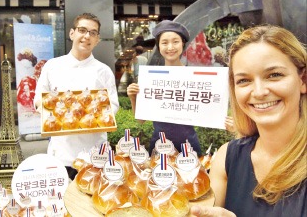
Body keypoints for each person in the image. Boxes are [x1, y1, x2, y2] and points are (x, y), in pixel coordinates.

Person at [191, 25, 306, 217]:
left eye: (274, 75)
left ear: (303, 80)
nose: (259, 92)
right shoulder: (227, 157)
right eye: (244, 80)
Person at [34, 13, 119, 180]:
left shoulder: (104, 71)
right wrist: (45, 111)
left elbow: (113, 105)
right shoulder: (52, 66)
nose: (87, 36)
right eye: (82, 30)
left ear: (97, 39)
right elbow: (39, 99)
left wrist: (96, 116)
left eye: (93, 33)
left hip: (95, 154)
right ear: (72, 33)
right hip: (61, 153)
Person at [127, 20, 202, 156]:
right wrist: (133, 98)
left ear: (183, 43)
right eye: (165, 43)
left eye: (175, 41)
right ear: (159, 46)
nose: (170, 47)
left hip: (189, 146)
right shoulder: (152, 79)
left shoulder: (195, 78)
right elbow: (140, 120)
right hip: (160, 146)